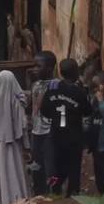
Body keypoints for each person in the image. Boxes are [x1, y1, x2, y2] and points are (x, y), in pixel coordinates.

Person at [39, 58, 93, 196]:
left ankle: (55, 188)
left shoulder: (52, 91)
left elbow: (44, 110)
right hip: (74, 135)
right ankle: (73, 191)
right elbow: (88, 111)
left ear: (61, 73)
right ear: (75, 72)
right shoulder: (79, 92)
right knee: (74, 164)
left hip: (56, 134)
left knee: (57, 163)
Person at [0, 69, 32, 204]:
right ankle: (18, 201)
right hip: (13, 145)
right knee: (14, 172)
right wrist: (26, 146)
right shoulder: (18, 103)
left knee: (0, 176)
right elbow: (23, 127)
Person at [26, 51, 56, 192]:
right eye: (34, 66)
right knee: (36, 163)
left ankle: (54, 192)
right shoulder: (35, 84)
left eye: (38, 66)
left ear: (49, 68)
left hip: (50, 131)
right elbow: (31, 106)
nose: (34, 69)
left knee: (51, 164)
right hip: (36, 131)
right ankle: (39, 191)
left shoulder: (56, 85)